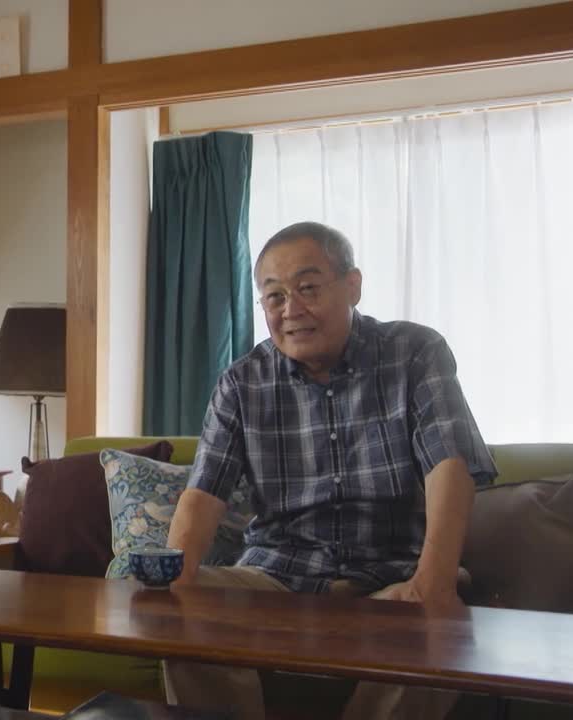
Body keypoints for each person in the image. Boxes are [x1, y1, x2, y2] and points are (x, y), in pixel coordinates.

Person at [164, 221, 497, 720]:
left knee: (437, 629)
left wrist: (433, 582)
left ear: (353, 286)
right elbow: (203, 494)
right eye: (274, 296)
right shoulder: (241, 383)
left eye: (308, 288)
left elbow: (451, 465)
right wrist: (176, 579)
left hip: (392, 574)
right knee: (182, 608)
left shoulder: (415, 353)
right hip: (276, 576)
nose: (291, 310)